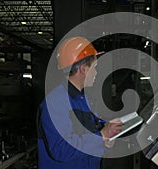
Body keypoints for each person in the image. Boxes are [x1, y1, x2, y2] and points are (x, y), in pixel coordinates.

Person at [37, 36, 123, 169]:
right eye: (94, 67)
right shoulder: (54, 103)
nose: (96, 72)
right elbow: (61, 150)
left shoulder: (84, 100)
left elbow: (90, 140)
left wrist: (106, 143)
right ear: (83, 69)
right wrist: (102, 135)